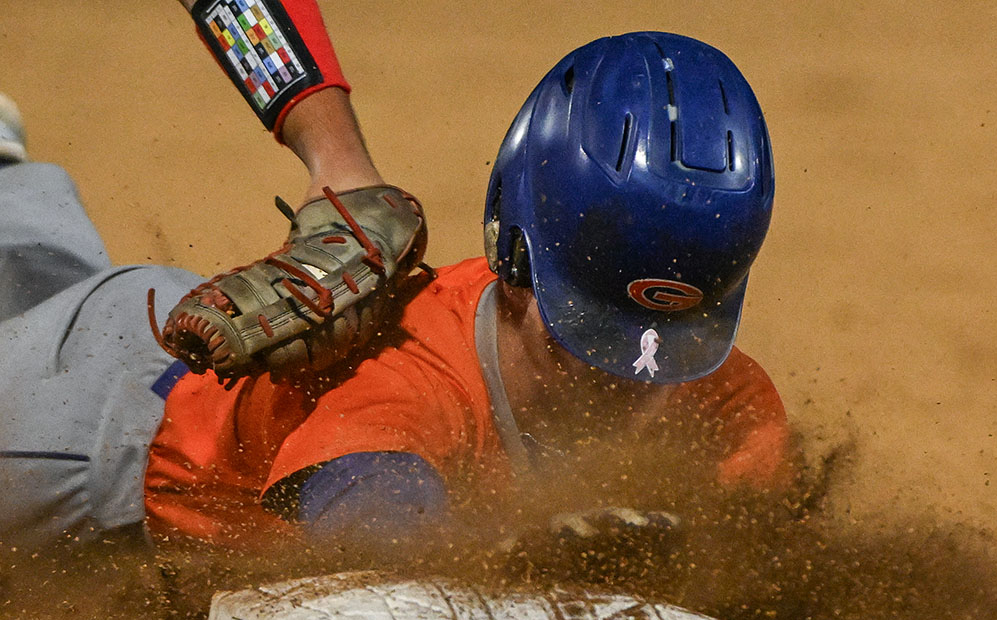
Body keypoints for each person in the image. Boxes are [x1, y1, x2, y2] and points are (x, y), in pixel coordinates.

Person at [0, 0, 790, 556]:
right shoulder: (417, 374)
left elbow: (768, 564)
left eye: (671, 343)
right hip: (86, 440)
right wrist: (332, 155)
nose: (630, 374)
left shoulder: (725, 405)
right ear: (511, 257)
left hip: (149, 351)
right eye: (586, 332)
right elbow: (376, 544)